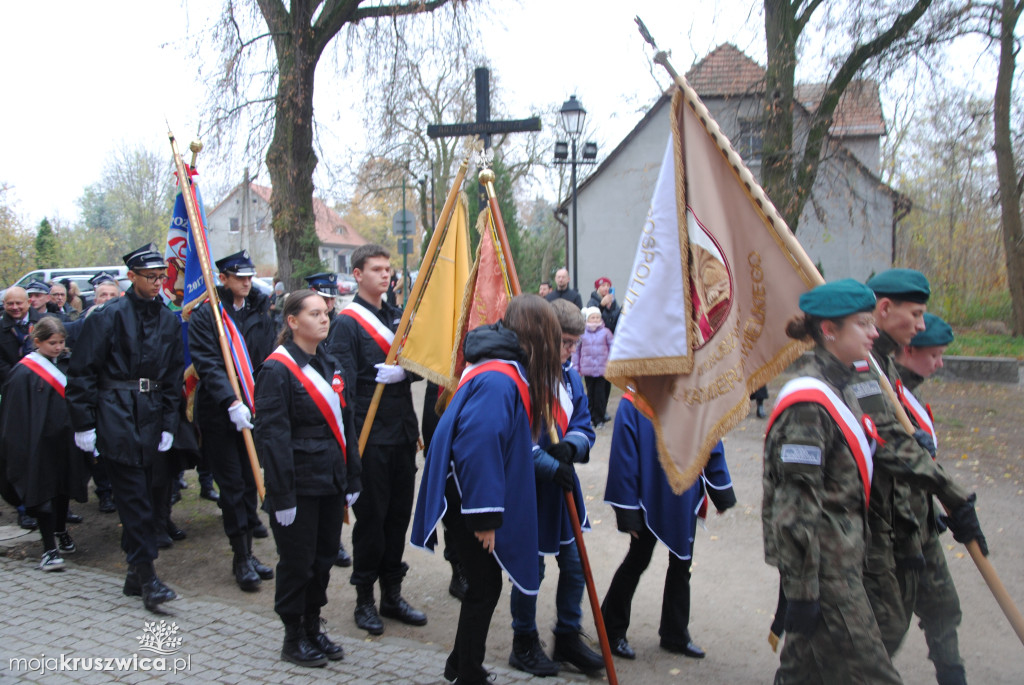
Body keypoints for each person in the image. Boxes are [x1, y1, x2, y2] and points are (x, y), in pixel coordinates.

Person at [412, 294, 561, 685]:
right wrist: (484, 517)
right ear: (538, 335)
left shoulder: (501, 370)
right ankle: (468, 671)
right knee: (484, 586)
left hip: (469, 493)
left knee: (483, 584)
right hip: (469, 497)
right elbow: (477, 446)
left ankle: (461, 664)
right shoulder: (499, 378)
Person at [762, 279, 901, 683]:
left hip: (843, 557)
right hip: (826, 569)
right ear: (829, 331)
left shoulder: (845, 384)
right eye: (863, 324)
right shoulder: (809, 401)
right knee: (876, 675)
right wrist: (803, 589)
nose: (875, 333)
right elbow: (795, 504)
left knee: (799, 674)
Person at [860, 269, 986, 660]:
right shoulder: (864, 369)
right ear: (884, 309)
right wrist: (956, 497)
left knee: (943, 609)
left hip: (916, 519)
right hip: (883, 526)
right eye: (915, 314)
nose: (920, 324)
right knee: (882, 631)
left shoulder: (886, 367)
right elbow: (887, 445)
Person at [67, 243, 184, 613]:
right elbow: (83, 371)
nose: (156, 283)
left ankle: (135, 575)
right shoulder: (107, 316)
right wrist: (84, 423)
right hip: (115, 412)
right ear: (131, 277)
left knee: (151, 495)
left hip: (151, 412)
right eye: (149, 277)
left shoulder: (167, 318)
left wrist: (168, 422)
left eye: (160, 277)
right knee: (133, 498)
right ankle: (148, 578)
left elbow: (171, 375)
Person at [254, 290, 362, 667]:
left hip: (330, 480)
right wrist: (281, 495)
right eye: (314, 313)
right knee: (297, 562)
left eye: (326, 313)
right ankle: (293, 635)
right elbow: (273, 436)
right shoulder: (277, 369)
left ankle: (314, 625)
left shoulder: (330, 363)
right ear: (292, 321)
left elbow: (346, 425)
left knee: (322, 559)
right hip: (297, 485)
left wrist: (352, 477)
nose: (324, 318)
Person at [327, 244, 425, 634]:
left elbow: (422, 362)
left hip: (402, 431)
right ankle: (364, 598)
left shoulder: (397, 316)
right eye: (377, 269)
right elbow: (342, 389)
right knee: (372, 521)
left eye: (388, 269)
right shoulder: (347, 324)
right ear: (357, 274)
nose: (386, 275)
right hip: (370, 436)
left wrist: (406, 374)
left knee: (399, 517)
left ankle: (392, 594)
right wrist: (349, 449)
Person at [603, 393, 735, 659]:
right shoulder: (634, 399)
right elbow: (624, 459)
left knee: (681, 564)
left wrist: (720, 492)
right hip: (647, 496)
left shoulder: (695, 396)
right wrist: (628, 512)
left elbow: (711, 441)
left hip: (683, 493)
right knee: (637, 560)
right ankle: (611, 628)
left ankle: (675, 634)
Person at [508, 299, 600, 677]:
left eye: (575, 344)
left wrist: (572, 446)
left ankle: (567, 634)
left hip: (564, 487)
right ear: (546, 336)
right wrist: (547, 463)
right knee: (532, 568)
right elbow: (514, 440)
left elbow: (584, 426)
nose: (570, 351)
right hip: (532, 488)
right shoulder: (523, 377)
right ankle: (523, 640)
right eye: (564, 342)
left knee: (575, 564)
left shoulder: (571, 378)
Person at [189, 250, 277, 592]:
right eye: (238, 276)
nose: (246, 282)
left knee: (250, 476)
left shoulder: (259, 309)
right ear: (222, 278)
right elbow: (208, 362)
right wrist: (229, 400)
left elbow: (268, 355)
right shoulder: (207, 314)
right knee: (233, 485)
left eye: (249, 276)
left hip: (253, 408)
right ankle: (239, 556)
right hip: (221, 412)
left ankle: (250, 552)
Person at [891, 313, 967, 685]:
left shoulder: (911, 391)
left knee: (943, 607)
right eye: (935, 355)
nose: (940, 363)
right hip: (892, 530)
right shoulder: (885, 392)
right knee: (886, 627)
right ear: (909, 350)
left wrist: (935, 508)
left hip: (922, 524)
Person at [0, 317, 88, 570]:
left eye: (61, 342)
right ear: (37, 341)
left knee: (63, 490)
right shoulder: (23, 373)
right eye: (52, 343)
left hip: (65, 442)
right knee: (43, 493)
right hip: (38, 445)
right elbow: (14, 416)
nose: (58, 347)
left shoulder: (69, 364)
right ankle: (49, 548)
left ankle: (61, 530)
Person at [573, 307, 614, 428]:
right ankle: (590, 417)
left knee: (600, 395)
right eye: (593, 317)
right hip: (588, 369)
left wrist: (612, 364)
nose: (595, 319)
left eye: (597, 317)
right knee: (590, 394)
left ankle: (599, 418)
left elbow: (612, 348)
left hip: (602, 369)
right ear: (587, 318)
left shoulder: (606, 332)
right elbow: (576, 351)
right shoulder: (582, 333)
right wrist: (576, 367)